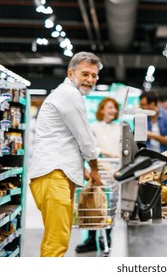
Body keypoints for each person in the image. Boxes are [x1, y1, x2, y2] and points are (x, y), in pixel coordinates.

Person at [29, 51, 103, 257]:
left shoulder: (66, 94)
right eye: (85, 74)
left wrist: (84, 169)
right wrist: (95, 169)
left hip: (55, 175)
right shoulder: (69, 94)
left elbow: (67, 140)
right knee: (56, 243)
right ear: (71, 73)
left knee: (58, 238)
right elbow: (85, 138)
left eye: (94, 76)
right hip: (54, 176)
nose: (90, 79)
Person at [75, 97, 120, 253]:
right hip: (99, 170)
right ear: (101, 110)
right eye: (109, 107)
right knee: (94, 205)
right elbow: (94, 148)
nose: (112, 110)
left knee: (110, 207)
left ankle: (106, 237)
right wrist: (111, 153)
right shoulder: (94, 127)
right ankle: (91, 239)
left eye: (114, 107)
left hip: (115, 171)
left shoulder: (120, 127)